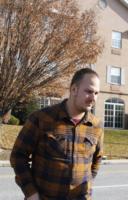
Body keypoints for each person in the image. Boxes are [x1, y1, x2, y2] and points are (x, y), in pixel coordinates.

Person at [10, 68, 104, 200]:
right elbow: (18, 156)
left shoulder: (96, 126)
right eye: (89, 91)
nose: (93, 98)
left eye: (96, 93)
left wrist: (87, 184)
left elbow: (97, 159)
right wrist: (30, 192)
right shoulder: (41, 118)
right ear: (74, 90)